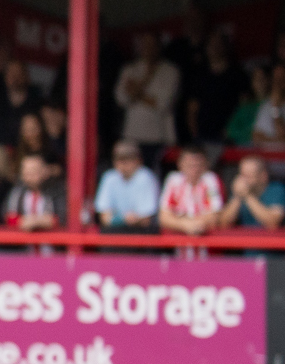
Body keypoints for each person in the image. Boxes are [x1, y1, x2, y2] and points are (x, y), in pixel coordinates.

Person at [114, 32, 179, 164]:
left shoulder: (171, 71)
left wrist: (136, 92)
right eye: (145, 45)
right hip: (132, 135)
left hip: (159, 137)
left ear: (159, 47)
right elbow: (121, 99)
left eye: (153, 45)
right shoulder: (130, 69)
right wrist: (145, 81)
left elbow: (163, 104)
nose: (149, 48)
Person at [186, 33, 245, 151]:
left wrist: (233, 129)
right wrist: (194, 131)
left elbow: (244, 105)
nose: (215, 48)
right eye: (212, 45)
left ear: (226, 47)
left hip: (229, 135)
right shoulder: (200, 74)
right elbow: (192, 107)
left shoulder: (237, 74)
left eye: (219, 44)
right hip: (203, 134)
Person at [94, 141, 160, 232]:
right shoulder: (109, 177)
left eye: (128, 160)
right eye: (120, 160)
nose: (123, 165)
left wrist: (119, 219)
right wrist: (123, 219)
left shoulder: (146, 177)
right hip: (115, 231)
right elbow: (104, 218)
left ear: (138, 160)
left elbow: (147, 220)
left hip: (142, 232)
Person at [158, 146, 223, 236]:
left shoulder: (211, 179)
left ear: (206, 165)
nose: (194, 170)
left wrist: (184, 221)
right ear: (180, 164)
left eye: (198, 165)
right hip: (179, 243)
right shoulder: (173, 180)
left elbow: (215, 216)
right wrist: (185, 225)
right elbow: (163, 218)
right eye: (190, 165)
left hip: (207, 242)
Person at [219, 155, 284, 230]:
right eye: (242, 175)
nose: (244, 181)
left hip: (270, 240)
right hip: (243, 239)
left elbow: (272, 222)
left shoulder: (276, 189)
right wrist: (237, 197)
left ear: (263, 176)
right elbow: (224, 223)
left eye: (249, 176)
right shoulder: (239, 192)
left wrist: (248, 196)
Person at [4, 154, 66, 231]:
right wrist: (22, 221)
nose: (30, 176)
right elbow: (8, 217)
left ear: (45, 171)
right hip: (23, 241)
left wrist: (38, 222)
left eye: (34, 171)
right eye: (26, 172)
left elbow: (64, 217)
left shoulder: (57, 192)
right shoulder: (16, 193)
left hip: (50, 241)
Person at [252, 64, 285, 148]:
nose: (278, 83)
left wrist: (275, 108)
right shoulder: (267, 105)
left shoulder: (273, 105)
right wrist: (277, 142)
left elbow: (282, 136)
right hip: (269, 157)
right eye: (275, 79)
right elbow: (256, 137)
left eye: (281, 79)